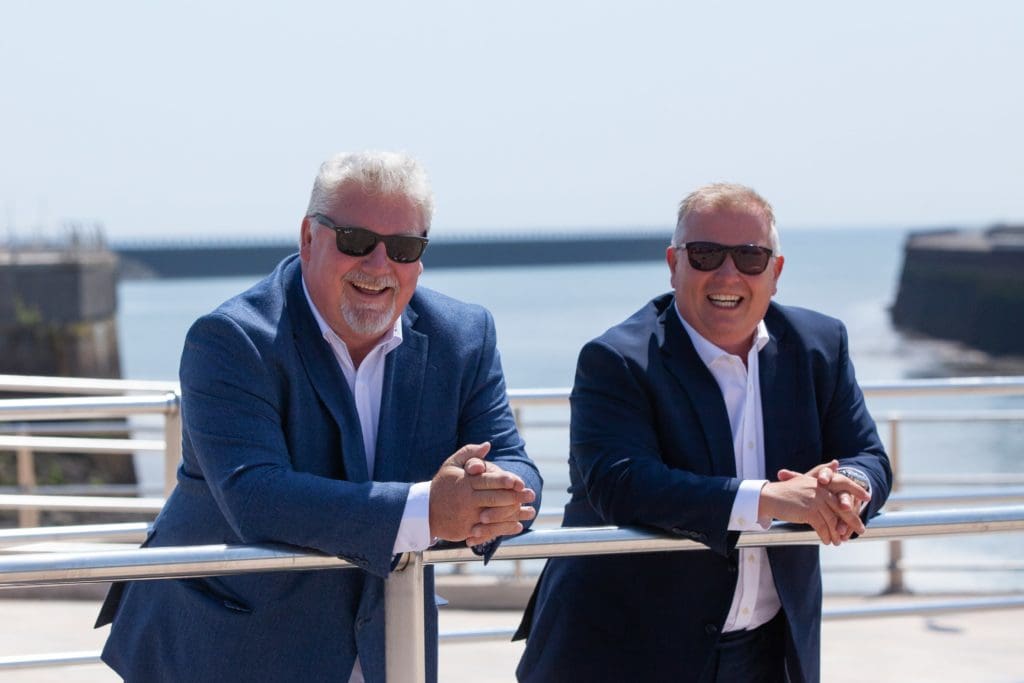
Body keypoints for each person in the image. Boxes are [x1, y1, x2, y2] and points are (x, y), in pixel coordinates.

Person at [96, 151, 542, 683]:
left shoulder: (464, 336)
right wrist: (432, 511)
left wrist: (489, 497)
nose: (378, 265)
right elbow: (256, 497)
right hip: (230, 646)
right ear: (309, 238)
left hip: (388, 648)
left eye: (403, 247)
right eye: (356, 240)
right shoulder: (232, 339)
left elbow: (513, 461)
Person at [514, 183, 890, 683]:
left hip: (768, 653)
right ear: (674, 264)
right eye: (706, 254)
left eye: (750, 257)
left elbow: (868, 456)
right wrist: (768, 499)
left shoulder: (820, 346)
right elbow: (622, 484)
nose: (728, 274)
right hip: (622, 652)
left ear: (775, 272)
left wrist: (847, 490)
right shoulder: (616, 358)